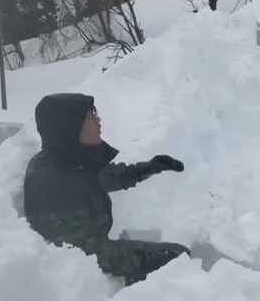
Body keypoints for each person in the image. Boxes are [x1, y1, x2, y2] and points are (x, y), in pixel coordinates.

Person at [23, 93, 190, 285]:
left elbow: (103, 177)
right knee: (179, 259)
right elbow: (88, 254)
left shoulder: (69, 159)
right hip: (77, 284)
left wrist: (148, 168)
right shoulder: (52, 181)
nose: (98, 119)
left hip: (95, 252)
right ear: (70, 126)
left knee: (176, 255)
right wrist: (153, 256)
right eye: (90, 115)